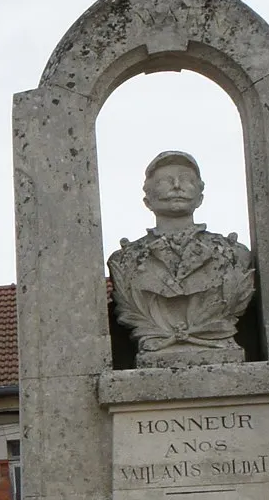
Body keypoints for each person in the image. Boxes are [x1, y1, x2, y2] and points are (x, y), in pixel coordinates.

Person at [107, 151, 256, 367]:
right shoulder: (124, 261)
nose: (177, 185)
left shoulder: (235, 255)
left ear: (200, 197)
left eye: (187, 180)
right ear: (147, 200)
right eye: (165, 181)